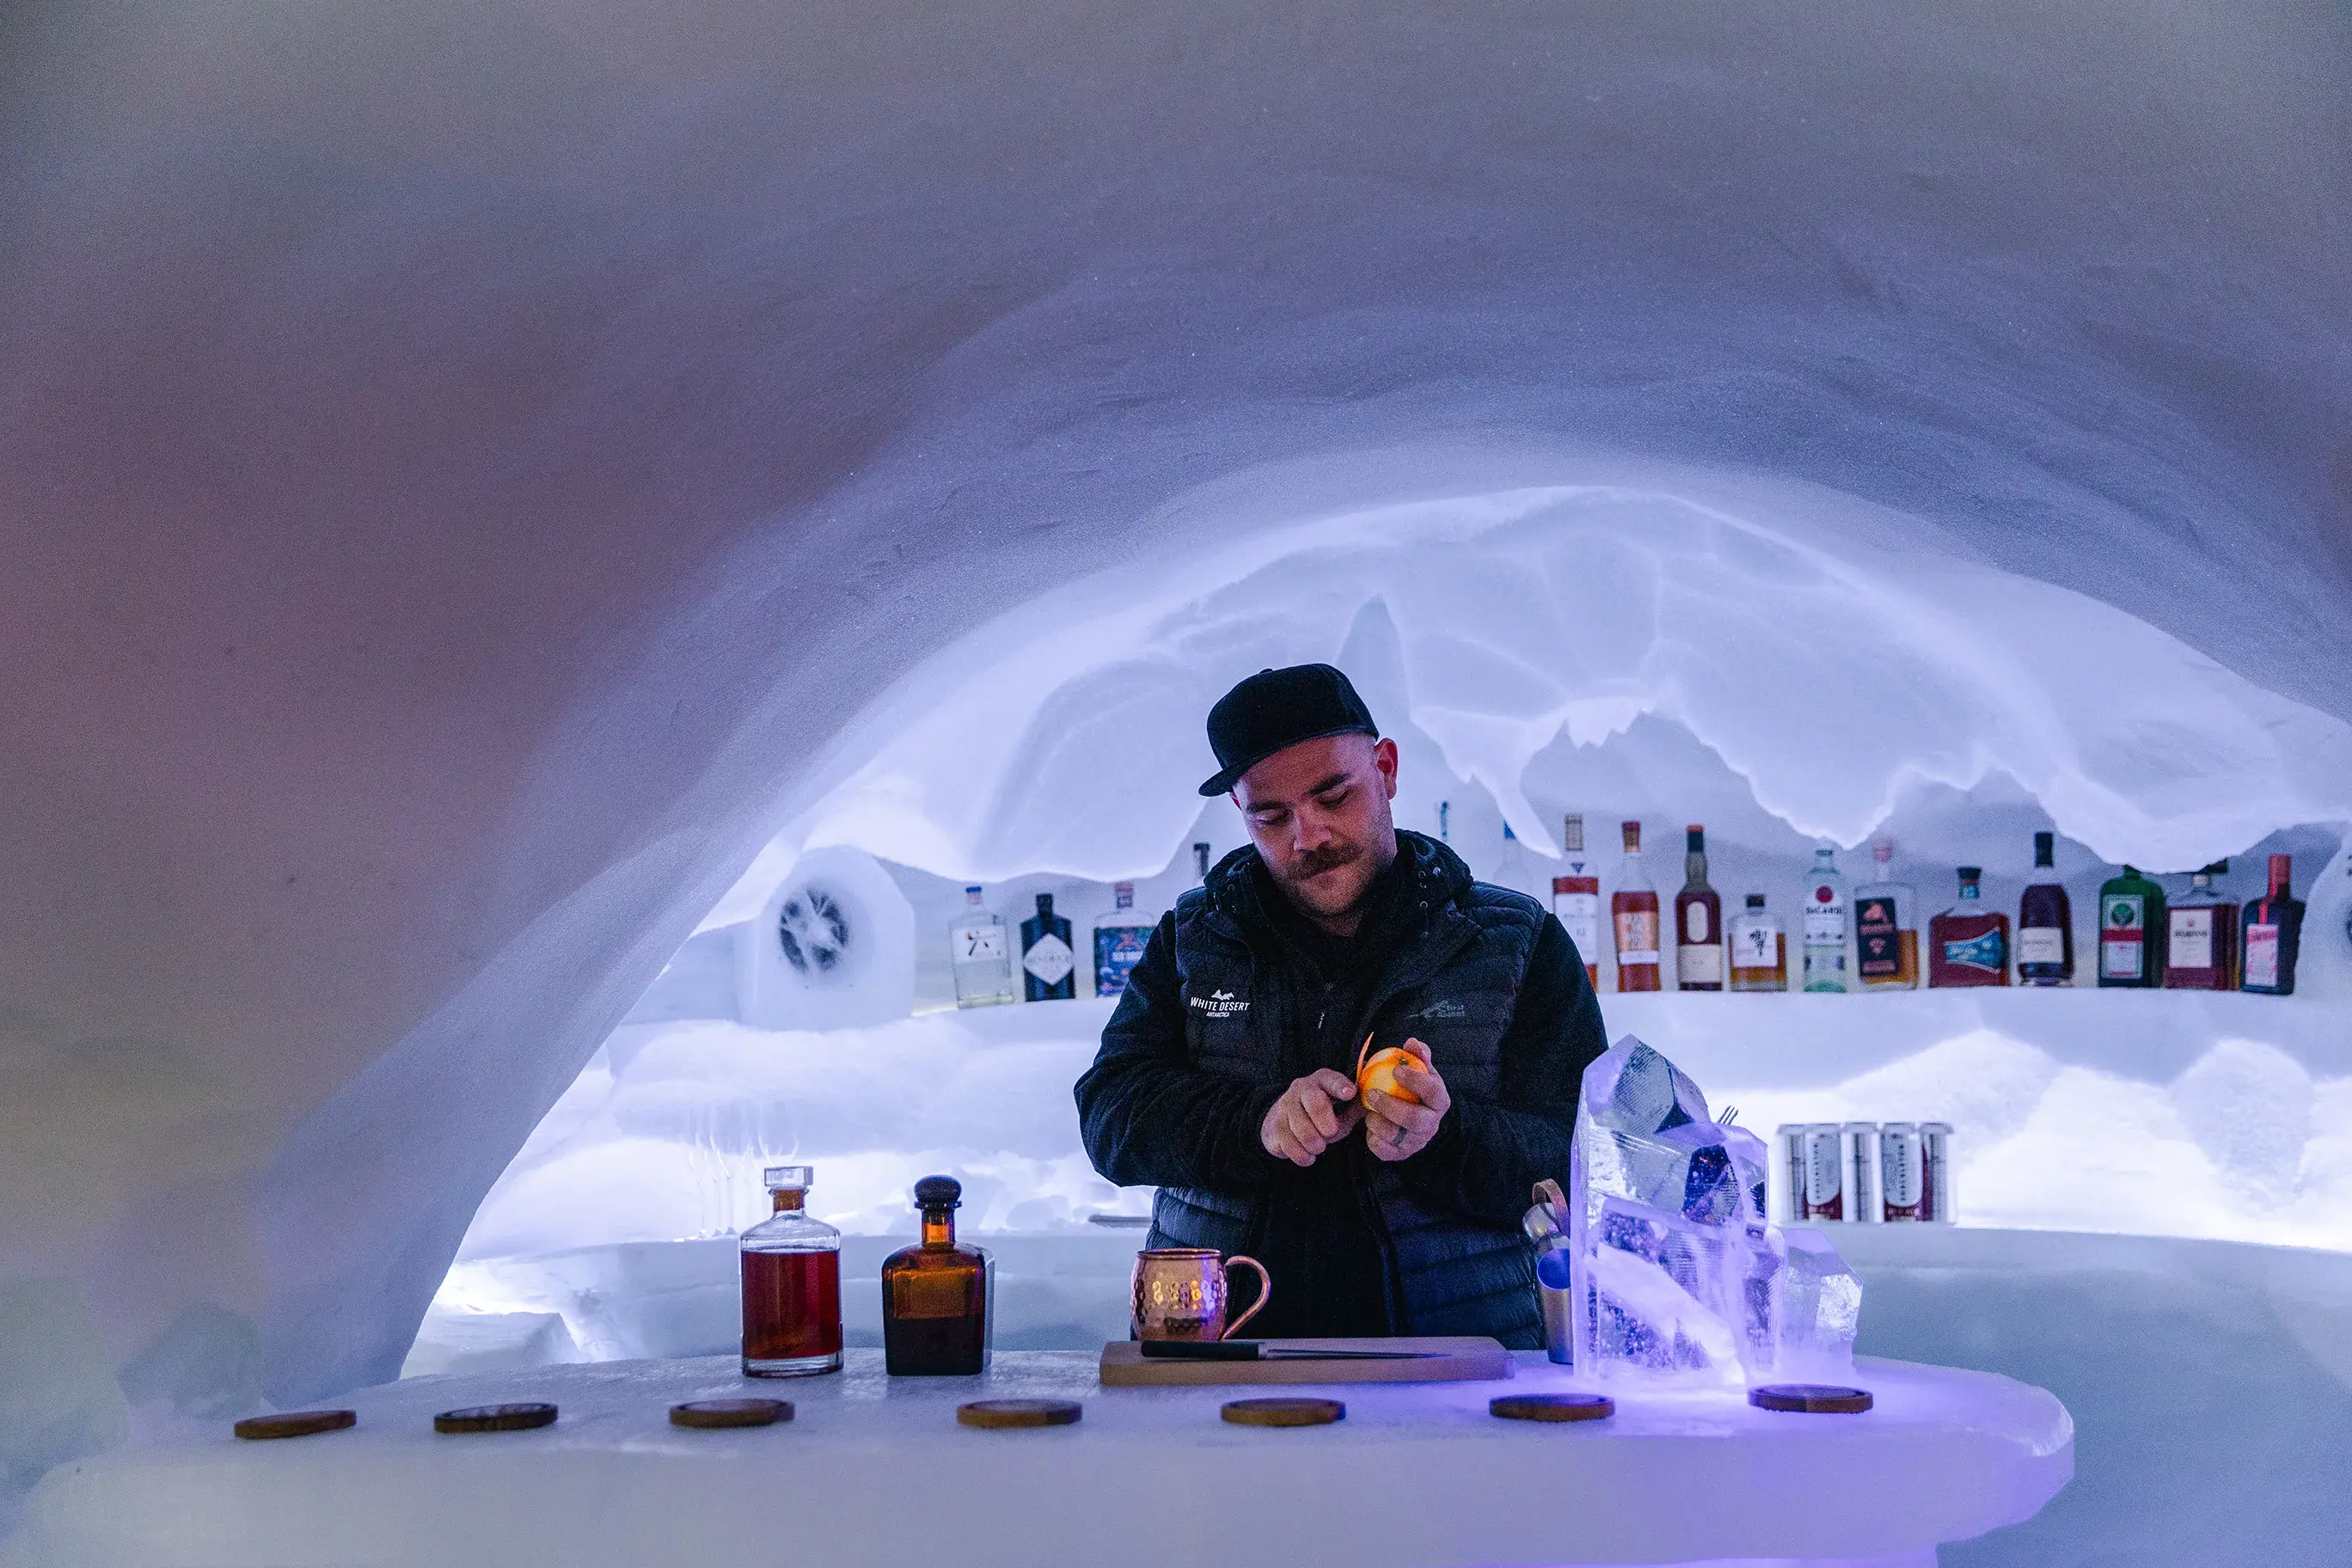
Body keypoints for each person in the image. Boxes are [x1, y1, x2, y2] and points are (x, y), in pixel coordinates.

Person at [1073, 664, 1608, 1344]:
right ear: (1241, 812)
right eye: (1272, 815)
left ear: (1385, 770)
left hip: (1462, 1370)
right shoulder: (1192, 939)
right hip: (1220, 1364)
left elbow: (1586, 1160)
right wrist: (1257, 1123)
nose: (1309, 836)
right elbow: (1111, 1118)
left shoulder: (1515, 941)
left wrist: (1444, 1137)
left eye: (1334, 796)